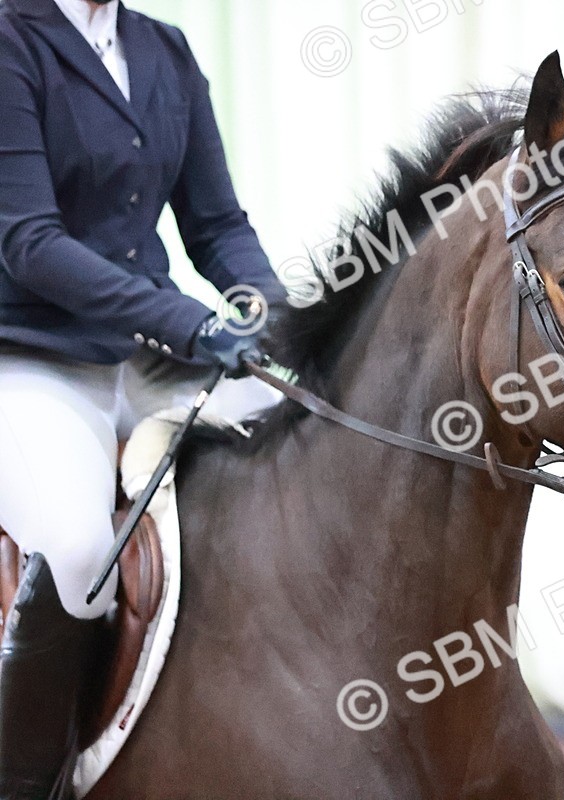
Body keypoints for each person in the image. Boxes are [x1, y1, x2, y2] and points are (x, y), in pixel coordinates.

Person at [0, 0, 285, 794]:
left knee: (305, 453)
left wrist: (278, 312)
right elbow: (29, 243)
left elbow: (218, 222)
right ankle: (29, 780)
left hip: (148, 355)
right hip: (34, 355)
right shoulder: (10, 41)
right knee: (80, 554)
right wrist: (194, 323)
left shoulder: (165, 50)